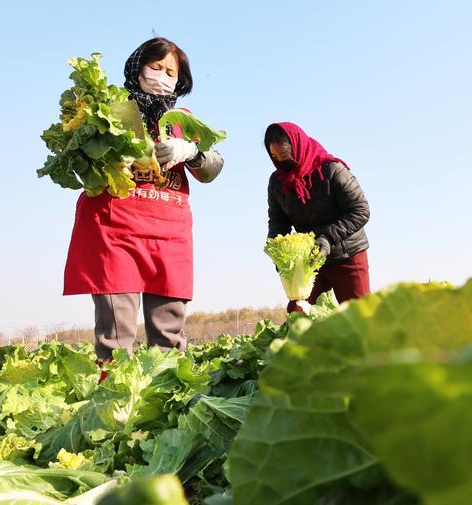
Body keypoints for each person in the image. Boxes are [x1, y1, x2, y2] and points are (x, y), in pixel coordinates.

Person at [63, 37, 224, 366]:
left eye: (170, 71)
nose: (162, 76)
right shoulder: (112, 112)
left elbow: (213, 168)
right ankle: (115, 409)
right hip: (116, 233)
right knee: (115, 338)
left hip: (169, 235)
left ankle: (164, 408)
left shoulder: (182, 119)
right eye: (155, 67)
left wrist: (192, 152)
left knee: (168, 337)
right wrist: (112, 158)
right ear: (138, 68)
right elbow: (82, 168)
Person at [264, 122, 370, 312]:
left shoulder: (333, 170)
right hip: (310, 260)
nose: (281, 162)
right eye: (275, 157)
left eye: (285, 156)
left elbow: (360, 210)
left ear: (297, 148)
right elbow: (278, 221)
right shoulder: (278, 182)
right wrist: (277, 251)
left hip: (346, 255)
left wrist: (327, 238)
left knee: (361, 317)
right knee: (299, 314)